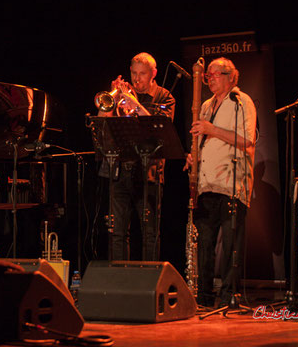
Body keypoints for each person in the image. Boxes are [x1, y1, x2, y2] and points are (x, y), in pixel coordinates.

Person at [185, 57, 257, 308]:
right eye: (208, 75)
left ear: (230, 76)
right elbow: (202, 139)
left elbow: (247, 140)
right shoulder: (205, 105)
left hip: (231, 183)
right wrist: (192, 156)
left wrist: (210, 129)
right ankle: (203, 297)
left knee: (230, 247)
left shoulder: (241, 102)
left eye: (215, 74)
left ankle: (228, 297)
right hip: (206, 183)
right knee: (204, 244)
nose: (209, 79)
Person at [99, 52, 175, 261]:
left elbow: (160, 129)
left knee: (150, 233)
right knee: (117, 232)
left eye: (142, 74)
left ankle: (149, 280)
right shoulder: (122, 94)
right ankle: (119, 281)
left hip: (148, 173)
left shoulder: (164, 96)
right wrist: (113, 98)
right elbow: (101, 125)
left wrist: (133, 104)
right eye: (133, 73)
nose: (136, 79)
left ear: (153, 74)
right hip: (119, 170)